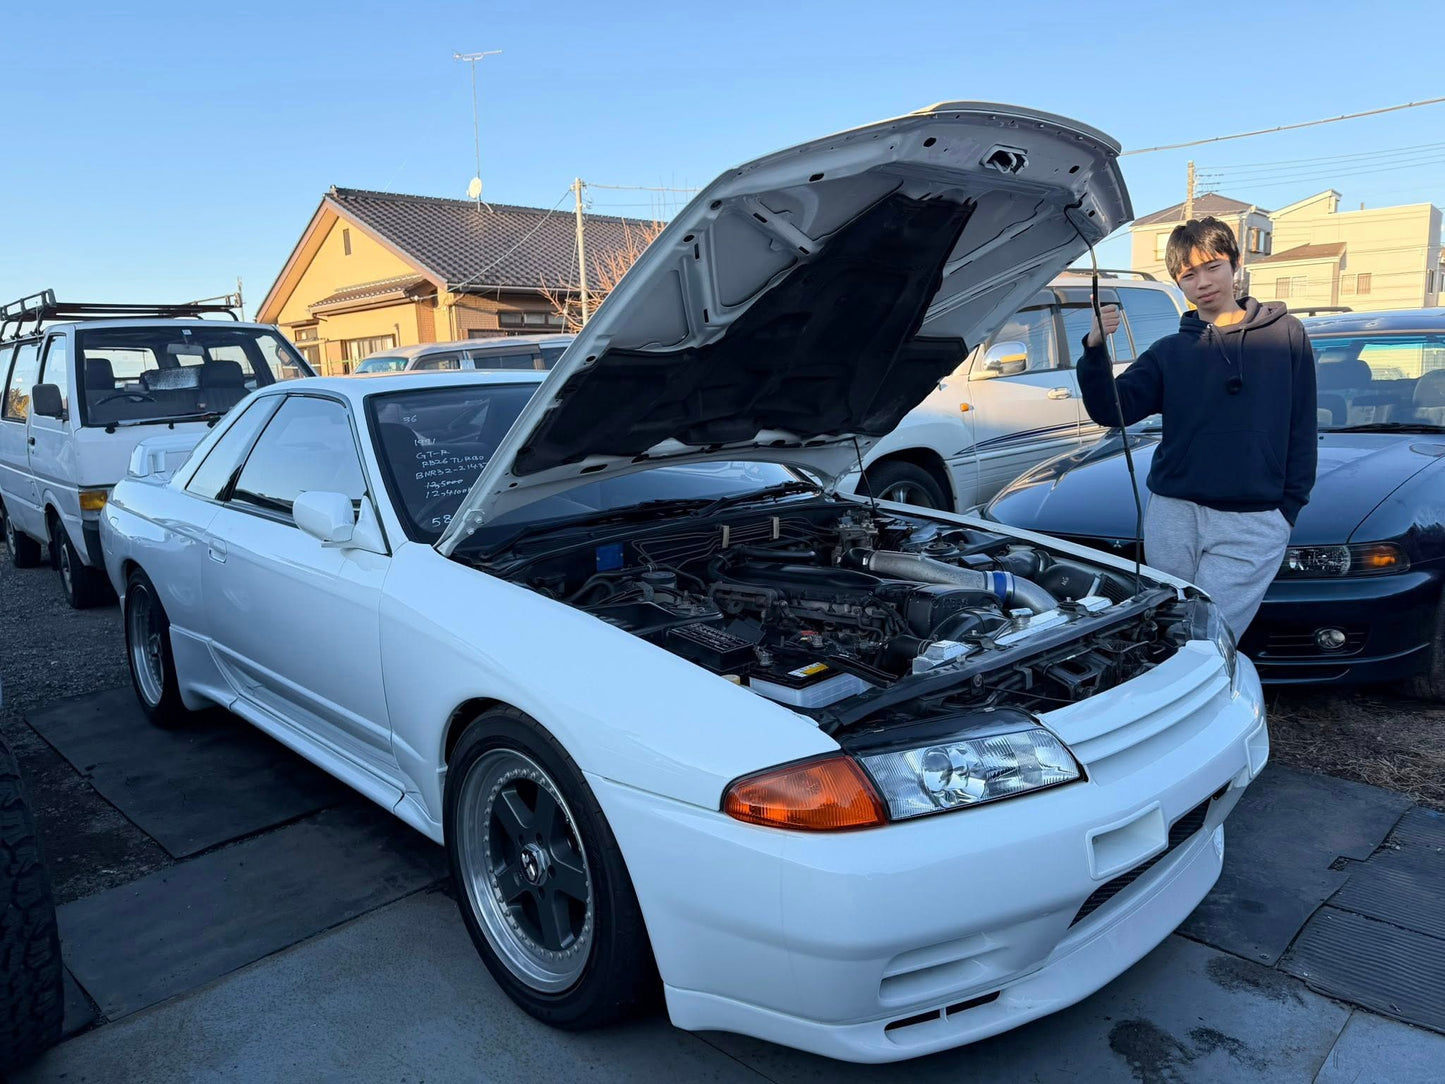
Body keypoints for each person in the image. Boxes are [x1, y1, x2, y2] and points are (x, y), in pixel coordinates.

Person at [1077, 216, 1317, 637]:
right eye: (1189, 274)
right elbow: (1112, 410)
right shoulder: (1170, 351)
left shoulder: (1285, 336)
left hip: (1254, 516)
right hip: (1174, 510)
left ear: (1235, 264)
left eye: (1213, 266)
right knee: (1170, 627)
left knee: (1212, 633)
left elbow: (1302, 422)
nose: (1203, 282)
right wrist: (1095, 348)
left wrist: (1288, 508)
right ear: (1179, 282)